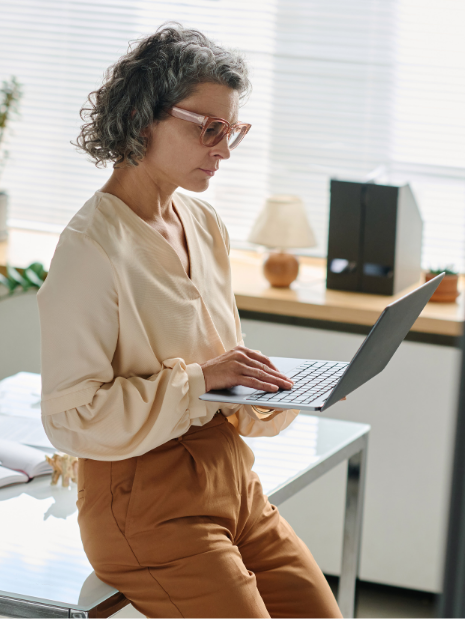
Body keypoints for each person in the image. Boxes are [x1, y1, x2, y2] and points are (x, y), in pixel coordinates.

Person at [37, 23, 342, 619]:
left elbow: (221, 370)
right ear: (141, 118)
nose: (224, 149)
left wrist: (283, 388)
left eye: (233, 132)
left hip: (235, 486)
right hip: (146, 507)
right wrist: (203, 381)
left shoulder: (204, 225)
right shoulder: (90, 249)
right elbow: (73, 418)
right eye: (210, 128)